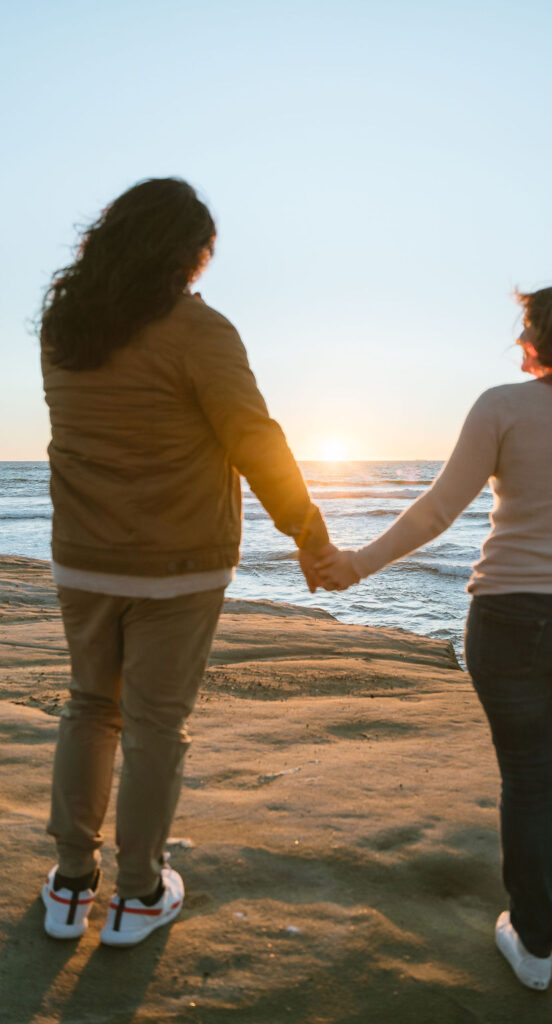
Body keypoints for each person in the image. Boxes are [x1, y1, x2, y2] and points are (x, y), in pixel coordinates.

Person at [315, 280, 552, 992]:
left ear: (539, 337)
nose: (517, 340)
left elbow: (437, 510)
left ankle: (533, 946)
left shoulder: (501, 406)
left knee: (529, 784)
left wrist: (357, 565)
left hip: (508, 617)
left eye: (524, 328)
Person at [39, 177, 331, 947]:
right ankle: (138, 894)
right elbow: (252, 437)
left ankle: (71, 886)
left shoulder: (64, 327)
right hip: (177, 564)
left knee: (88, 706)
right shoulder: (197, 329)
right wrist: (307, 530)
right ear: (187, 252)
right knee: (154, 726)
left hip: (83, 557)